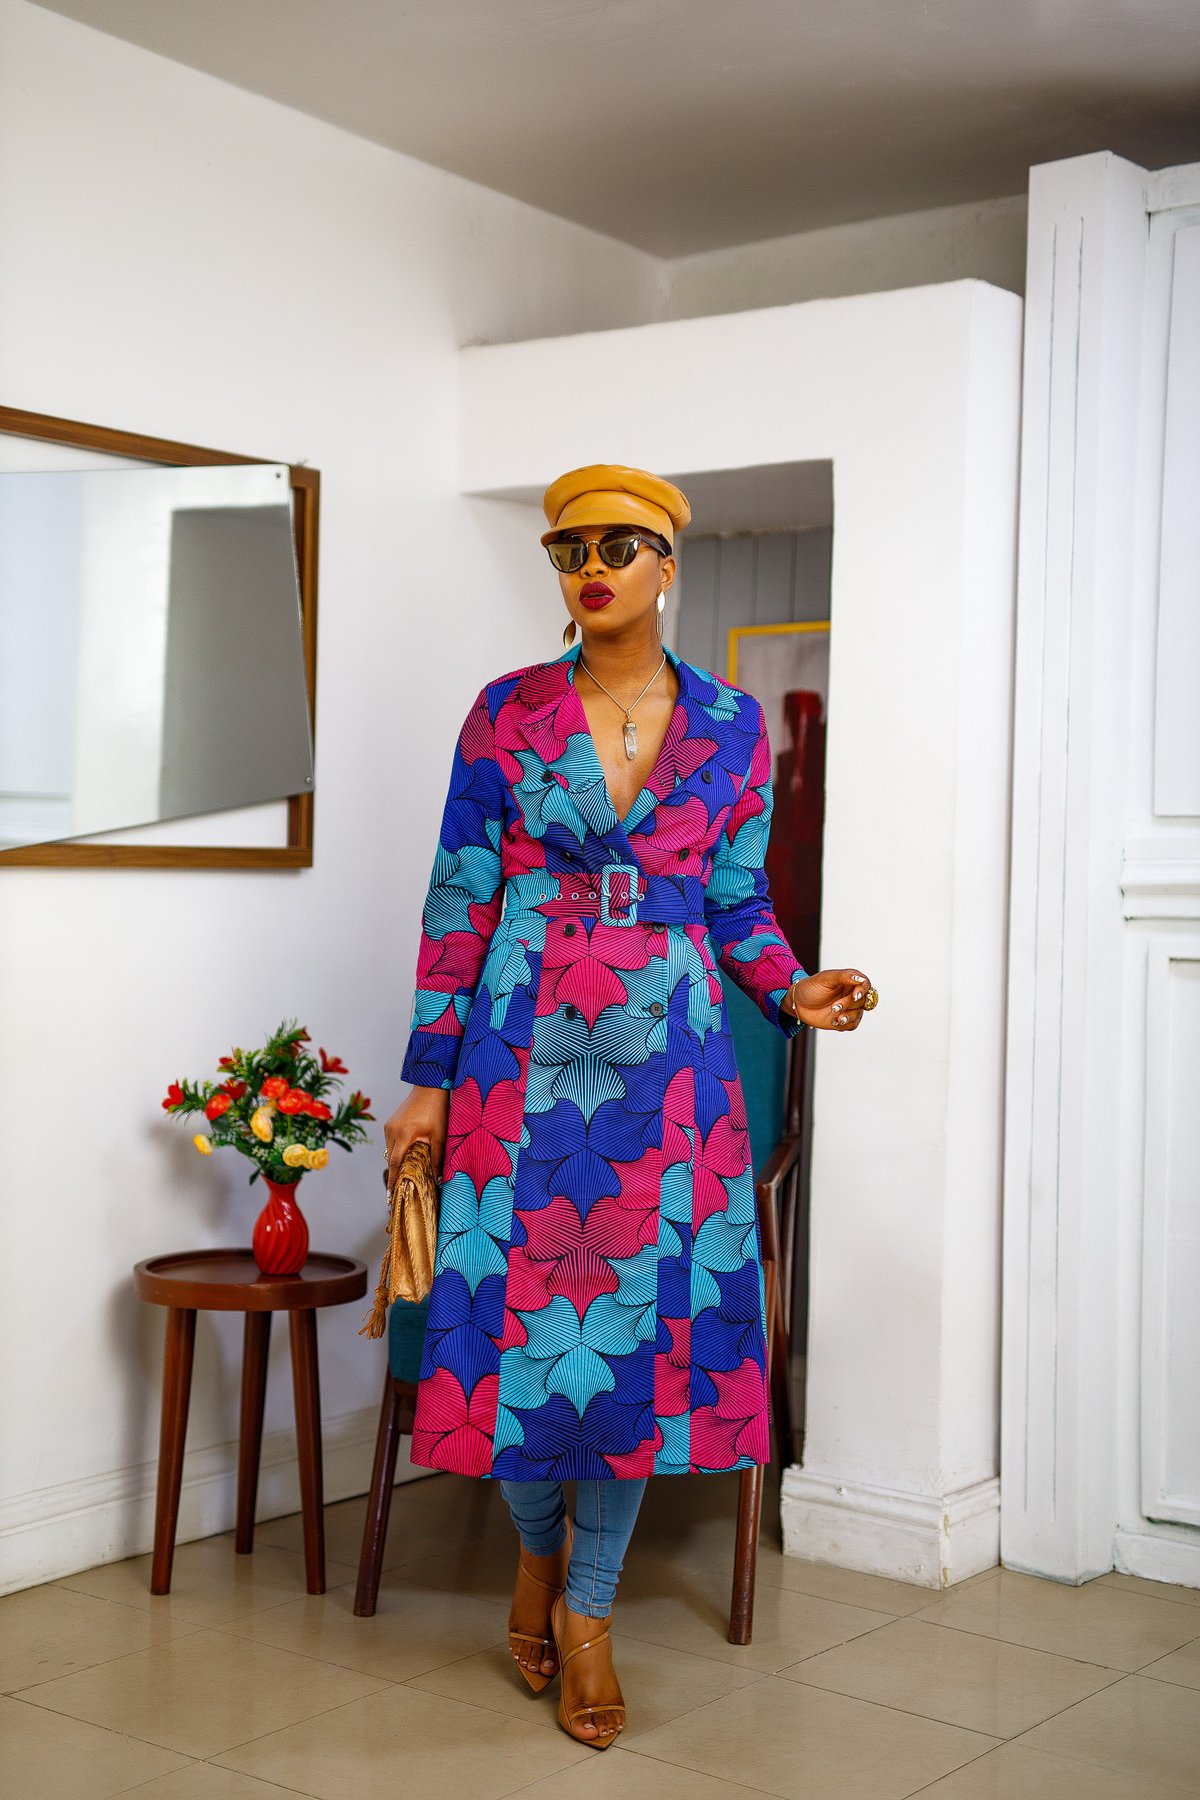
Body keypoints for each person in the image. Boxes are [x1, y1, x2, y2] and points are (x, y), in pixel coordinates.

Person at [383, 464, 876, 1750]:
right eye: (569, 549)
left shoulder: (729, 725)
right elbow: (458, 900)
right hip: (518, 1045)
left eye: (617, 545)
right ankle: (535, 1555)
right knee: (520, 1335)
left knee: (633, 1346)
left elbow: (737, 900)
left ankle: (587, 1611)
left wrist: (793, 986)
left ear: (668, 563)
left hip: (672, 1061)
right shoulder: (505, 713)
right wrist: (426, 1082)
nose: (590, 567)